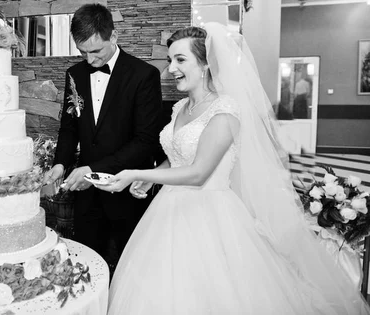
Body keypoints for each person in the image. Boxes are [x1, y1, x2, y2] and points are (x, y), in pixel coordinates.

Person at [96, 23, 370, 314]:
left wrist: (138, 174)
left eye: (180, 60)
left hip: (209, 214)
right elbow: (178, 158)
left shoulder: (224, 110)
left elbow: (199, 171)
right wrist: (153, 181)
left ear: (205, 64)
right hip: (168, 211)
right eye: (169, 60)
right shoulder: (180, 108)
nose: (171, 69)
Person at [44, 3, 163, 266]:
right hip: (88, 199)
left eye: (96, 50)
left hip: (128, 191)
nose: (89, 60)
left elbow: (145, 142)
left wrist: (91, 170)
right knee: (87, 264)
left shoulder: (144, 75)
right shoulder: (74, 74)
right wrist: (60, 164)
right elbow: (69, 126)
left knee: (132, 266)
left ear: (114, 37)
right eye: (82, 52)